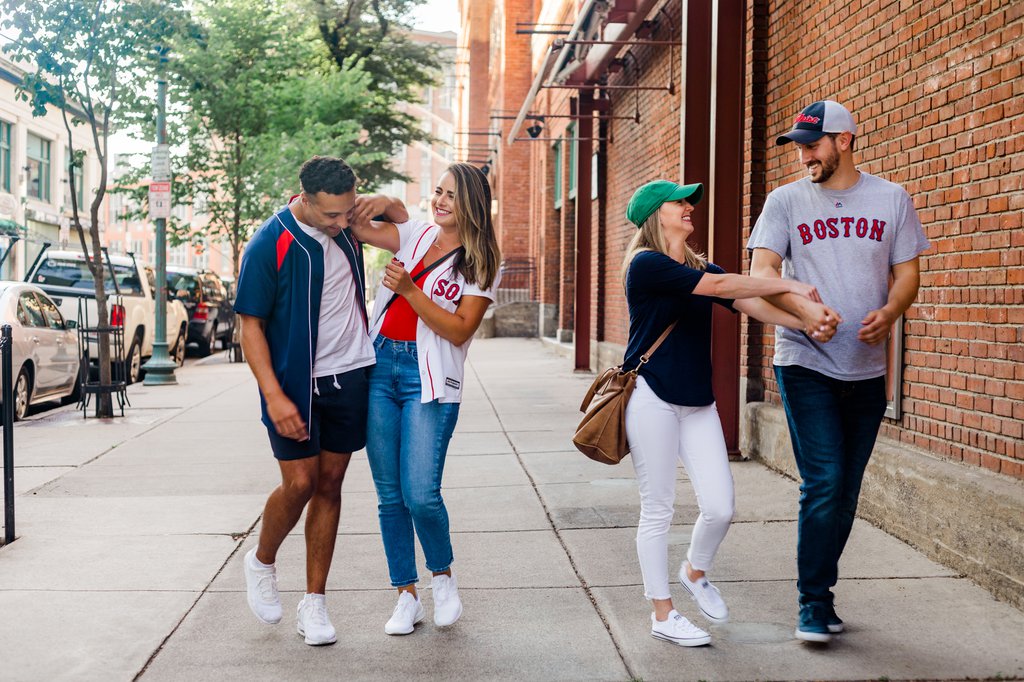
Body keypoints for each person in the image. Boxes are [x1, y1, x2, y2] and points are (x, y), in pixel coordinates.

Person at [748, 100, 930, 642]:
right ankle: (812, 601)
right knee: (824, 481)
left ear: (845, 140)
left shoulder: (892, 199)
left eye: (813, 144)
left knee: (846, 489)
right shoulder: (784, 201)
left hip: (867, 369)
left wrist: (891, 312)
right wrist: (803, 315)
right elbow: (762, 272)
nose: (804, 154)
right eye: (799, 145)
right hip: (805, 363)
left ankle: (822, 596)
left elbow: (907, 274)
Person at [621, 178, 828, 648]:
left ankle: (695, 571)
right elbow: (719, 285)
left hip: (697, 402)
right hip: (651, 396)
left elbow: (748, 301)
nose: (690, 206)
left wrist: (808, 322)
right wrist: (789, 281)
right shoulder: (647, 265)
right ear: (657, 214)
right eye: (680, 202)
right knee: (658, 509)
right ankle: (663, 612)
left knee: (720, 506)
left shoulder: (695, 265)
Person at [348, 162, 501, 636]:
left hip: (428, 380)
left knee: (420, 492)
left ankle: (443, 578)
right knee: (389, 495)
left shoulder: (481, 262)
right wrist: (380, 203)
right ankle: (405, 596)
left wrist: (411, 291)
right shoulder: (414, 234)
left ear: (472, 203)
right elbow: (357, 225)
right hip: (379, 370)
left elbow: (459, 330)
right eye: (437, 191)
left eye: (451, 195)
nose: (439, 201)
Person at [234, 156, 374, 646]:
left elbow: (400, 216)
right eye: (332, 215)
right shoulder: (270, 241)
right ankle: (261, 562)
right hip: (296, 384)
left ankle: (314, 603)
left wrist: (368, 210)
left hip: (351, 374)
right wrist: (273, 396)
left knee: (330, 484)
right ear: (305, 199)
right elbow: (249, 325)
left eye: (348, 211)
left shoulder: (350, 225)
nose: (342, 223)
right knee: (299, 482)